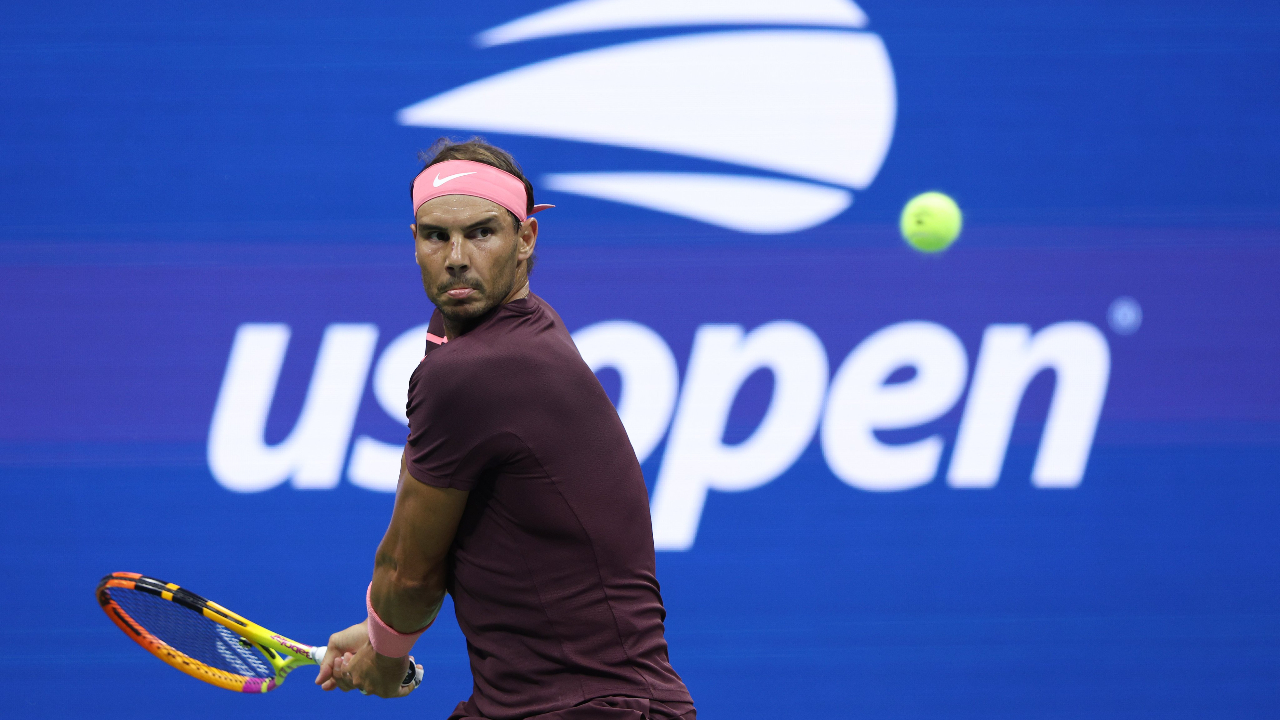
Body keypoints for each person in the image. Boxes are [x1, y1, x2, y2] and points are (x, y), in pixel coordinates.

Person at [314, 138, 695, 720]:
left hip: (589, 709)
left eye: (482, 232)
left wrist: (387, 655)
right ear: (414, 242)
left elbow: (409, 570)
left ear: (526, 240)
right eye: (436, 236)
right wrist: (379, 630)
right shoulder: (517, 332)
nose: (457, 256)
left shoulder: (476, 370)